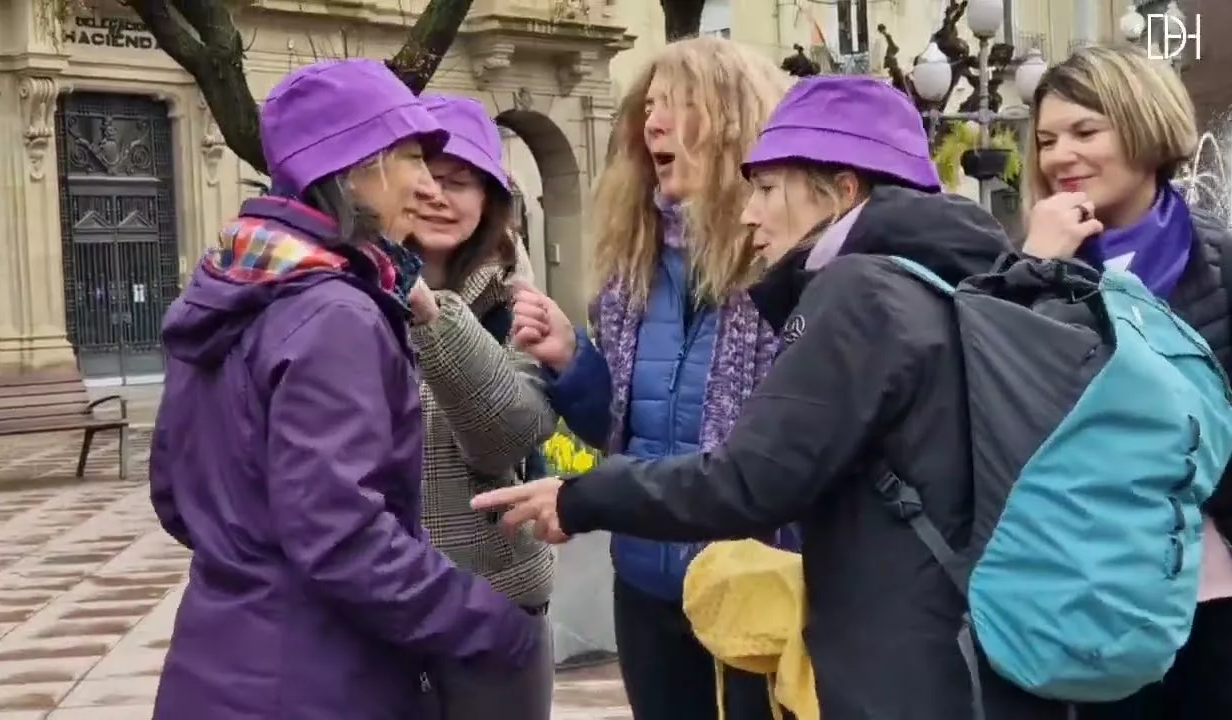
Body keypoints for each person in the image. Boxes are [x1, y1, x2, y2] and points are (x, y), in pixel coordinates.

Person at [479, 76, 1067, 719]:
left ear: (843, 189)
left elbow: (751, 478)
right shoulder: (947, 277)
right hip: (973, 642)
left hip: (904, 663)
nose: (750, 211)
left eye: (765, 189)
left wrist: (580, 496)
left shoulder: (860, 293)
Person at [147, 59, 541, 720]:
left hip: (218, 660)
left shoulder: (235, 283)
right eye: (413, 156)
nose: (424, 183)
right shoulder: (335, 313)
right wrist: (489, 622)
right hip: (314, 680)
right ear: (358, 163)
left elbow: (174, 496)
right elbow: (342, 538)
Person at [508, 35, 791, 720]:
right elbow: (618, 432)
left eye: (678, 105)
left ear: (734, 121)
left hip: (758, 583)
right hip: (645, 584)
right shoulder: (632, 262)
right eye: (649, 107)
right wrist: (572, 362)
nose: (652, 123)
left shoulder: (789, 263)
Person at [1016, 44, 1232, 720]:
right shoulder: (1028, 266)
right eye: (1048, 139)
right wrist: (1032, 271)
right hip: (1087, 592)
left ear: (1144, 126)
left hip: (1215, 590)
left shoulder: (1226, 265)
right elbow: (1001, 402)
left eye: (1086, 132)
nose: (1061, 156)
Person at [407, 92, 557, 720]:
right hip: (368, 599)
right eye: (424, 177)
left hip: (490, 599)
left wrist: (429, 314)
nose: (438, 195)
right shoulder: (344, 294)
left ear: (490, 199)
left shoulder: (516, 303)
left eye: (460, 182)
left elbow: (504, 437)